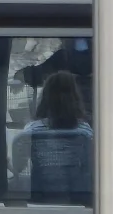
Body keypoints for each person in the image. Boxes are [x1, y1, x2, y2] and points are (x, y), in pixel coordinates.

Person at [9, 67, 93, 203]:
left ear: (45, 97)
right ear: (75, 97)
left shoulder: (32, 130)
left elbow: (18, 167)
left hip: (40, 195)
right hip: (76, 197)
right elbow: (89, 167)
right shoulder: (85, 131)